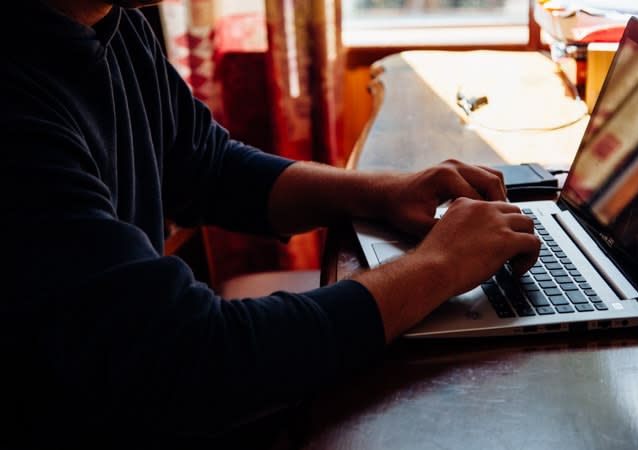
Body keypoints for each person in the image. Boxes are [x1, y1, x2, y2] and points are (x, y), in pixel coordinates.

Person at [0, 0, 541, 446]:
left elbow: (208, 167)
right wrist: (439, 265)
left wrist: (386, 190)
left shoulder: (111, 23)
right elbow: (192, 359)